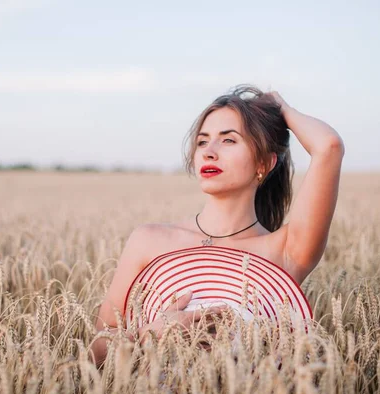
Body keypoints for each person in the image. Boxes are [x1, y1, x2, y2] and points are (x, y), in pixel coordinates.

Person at [90, 84, 345, 368]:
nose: (209, 152)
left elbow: (328, 146)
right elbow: (98, 350)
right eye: (202, 141)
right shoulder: (149, 241)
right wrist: (150, 335)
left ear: (264, 162)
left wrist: (279, 107)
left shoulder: (284, 252)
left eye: (228, 140)